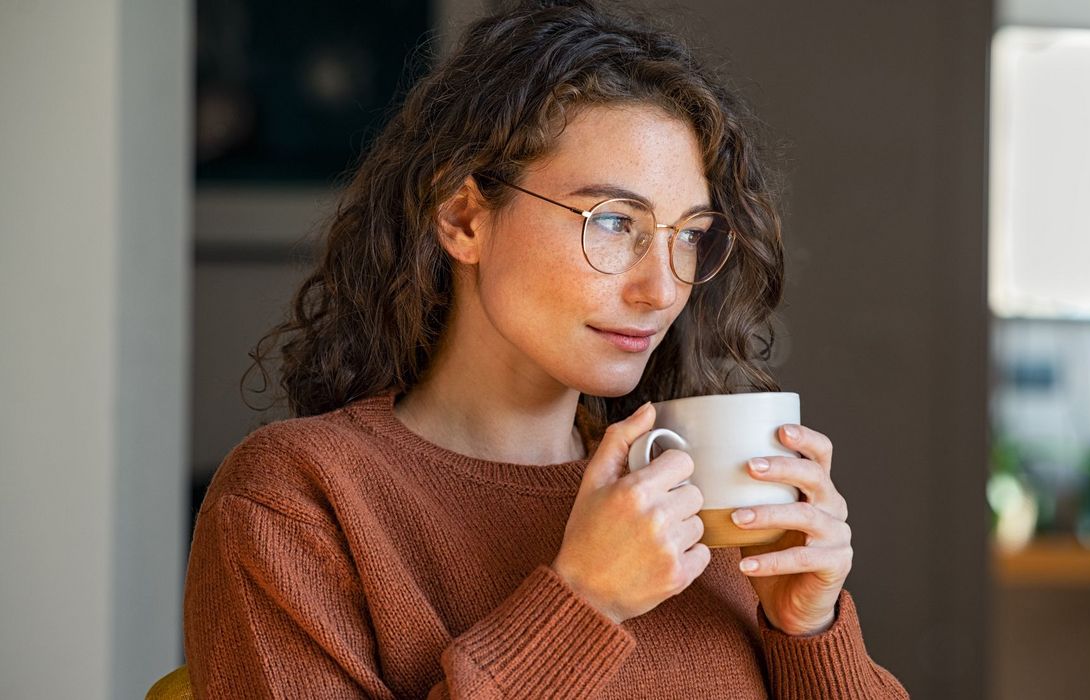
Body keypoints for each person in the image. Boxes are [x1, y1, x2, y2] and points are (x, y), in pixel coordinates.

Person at [183, 1, 909, 697]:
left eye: (688, 235)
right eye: (615, 222)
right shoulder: (298, 499)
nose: (661, 288)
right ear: (465, 218)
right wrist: (582, 602)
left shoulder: (698, 493)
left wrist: (808, 631)